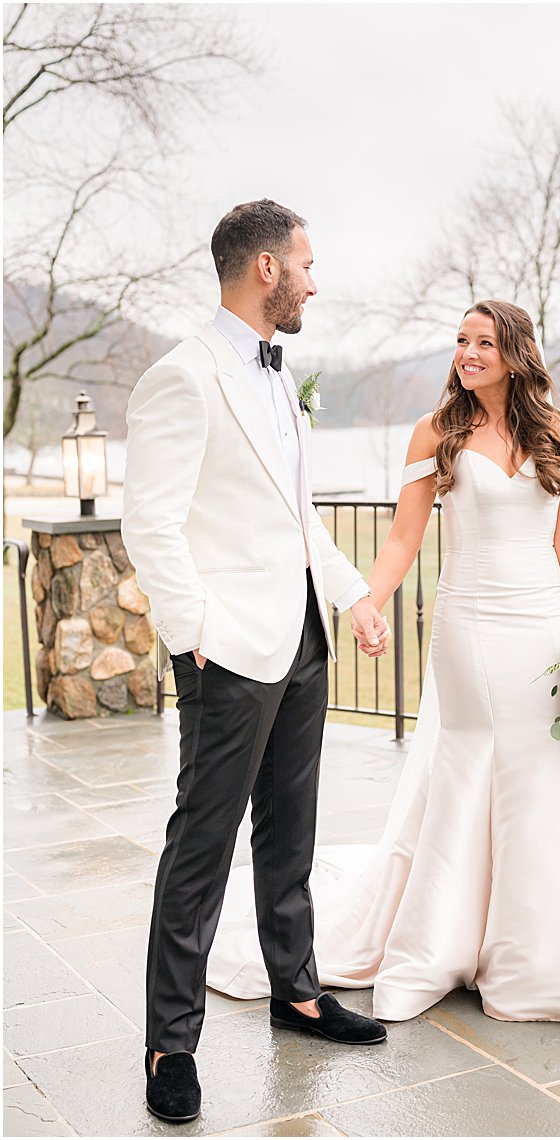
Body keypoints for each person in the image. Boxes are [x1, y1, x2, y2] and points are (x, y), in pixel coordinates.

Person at [207, 300, 560, 1031]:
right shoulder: (438, 433)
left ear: (517, 353)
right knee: (475, 761)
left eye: (484, 341)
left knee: (543, 769)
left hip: (545, 626)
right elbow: (403, 540)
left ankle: (537, 949)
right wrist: (367, 600)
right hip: (471, 626)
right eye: (461, 340)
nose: (468, 352)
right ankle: (446, 940)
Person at [122, 200, 391, 1125]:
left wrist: (352, 592)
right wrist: (195, 630)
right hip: (228, 648)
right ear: (265, 270)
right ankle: (170, 1044)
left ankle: (299, 992)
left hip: (303, 635)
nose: (316, 282)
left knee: (291, 834)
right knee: (201, 845)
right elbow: (149, 521)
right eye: (307, 265)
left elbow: (298, 510)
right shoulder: (182, 378)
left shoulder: (279, 377)